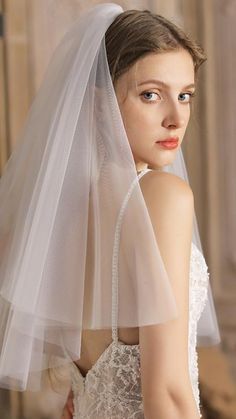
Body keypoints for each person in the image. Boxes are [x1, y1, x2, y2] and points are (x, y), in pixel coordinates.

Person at [0, 3, 220, 419]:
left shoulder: (63, 217)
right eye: (150, 94)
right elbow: (168, 395)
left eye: (185, 95)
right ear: (99, 102)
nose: (176, 118)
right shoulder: (163, 198)